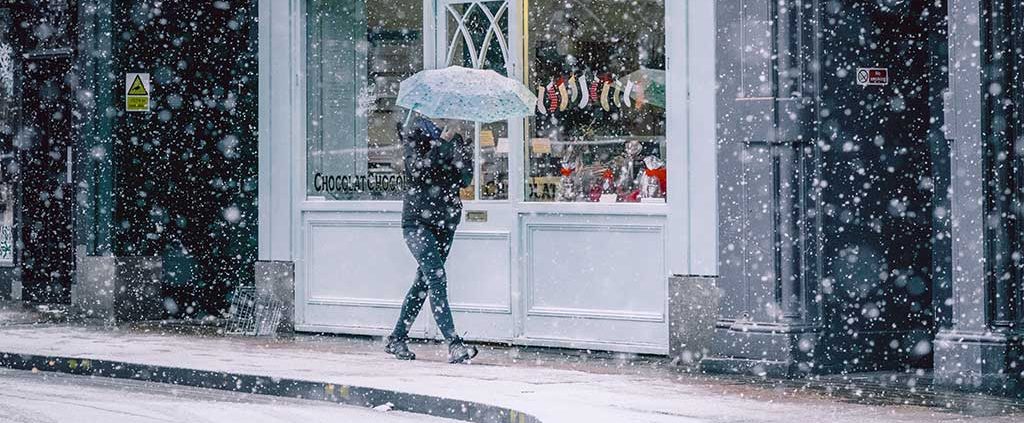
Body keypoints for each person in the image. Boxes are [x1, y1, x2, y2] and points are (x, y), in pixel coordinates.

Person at [385, 115, 479, 364]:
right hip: (418, 221)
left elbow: (466, 177)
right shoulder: (414, 134)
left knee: (423, 282)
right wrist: (441, 145)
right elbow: (417, 171)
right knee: (436, 277)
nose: (448, 117)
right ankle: (454, 344)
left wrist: (454, 148)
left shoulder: (457, 139)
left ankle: (397, 338)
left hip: (446, 220)